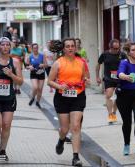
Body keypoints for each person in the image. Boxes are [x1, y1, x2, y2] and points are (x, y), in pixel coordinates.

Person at [47, 38, 89, 167]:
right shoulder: (58, 63)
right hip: (62, 98)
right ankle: (61, 139)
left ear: (75, 48)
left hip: (78, 96)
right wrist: (59, 87)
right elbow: (50, 81)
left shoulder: (81, 63)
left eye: (72, 46)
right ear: (64, 49)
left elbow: (86, 77)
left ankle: (75, 157)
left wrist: (86, 81)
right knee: (64, 128)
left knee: (75, 126)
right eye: (68, 46)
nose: (70, 48)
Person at [96, 39, 126, 123]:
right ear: (110, 48)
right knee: (108, 95)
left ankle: (114, 112)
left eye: (118, 48)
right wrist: (97, 77)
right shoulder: (105, 54)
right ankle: (110, 114)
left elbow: (128, 64)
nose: (117, 50)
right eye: (115, 49)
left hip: (120, 78)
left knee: (119, 97)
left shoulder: (122, 54)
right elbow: (98, 65)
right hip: (108, 78)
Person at [27, 43, 47, 109]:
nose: (35, 49)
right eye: (34, 48)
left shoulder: (42, 55)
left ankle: (38, 102)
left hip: (41, 73)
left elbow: (46, 64)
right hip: (33, 73)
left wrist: (43, 65)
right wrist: (29, 67)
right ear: (32, 49)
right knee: (35, 87)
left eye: (36, 48)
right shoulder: (30, 56)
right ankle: (33, 97)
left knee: (40, 89)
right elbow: (27, 66)